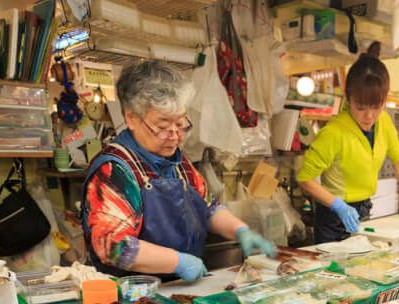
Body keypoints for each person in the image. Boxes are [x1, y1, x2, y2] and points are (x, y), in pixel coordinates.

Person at [81, 61, 276, 282]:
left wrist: (240, 230)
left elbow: (208, 208)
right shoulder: (114, 170)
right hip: (130, 298)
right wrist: (178, 262)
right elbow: (113, 246)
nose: (175, 135)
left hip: (177, 288)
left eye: (181, 123)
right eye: (163, 126)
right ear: (131, 119)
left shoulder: (179, 164)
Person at [297, 43, 399, 243]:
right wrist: (338, 205)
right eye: (360, 107)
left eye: (376, 106)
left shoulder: (383, 122)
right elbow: (305, 179)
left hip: (364, 210)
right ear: (348, 98)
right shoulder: (334, 132)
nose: (369, 116)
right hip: (334, 217)